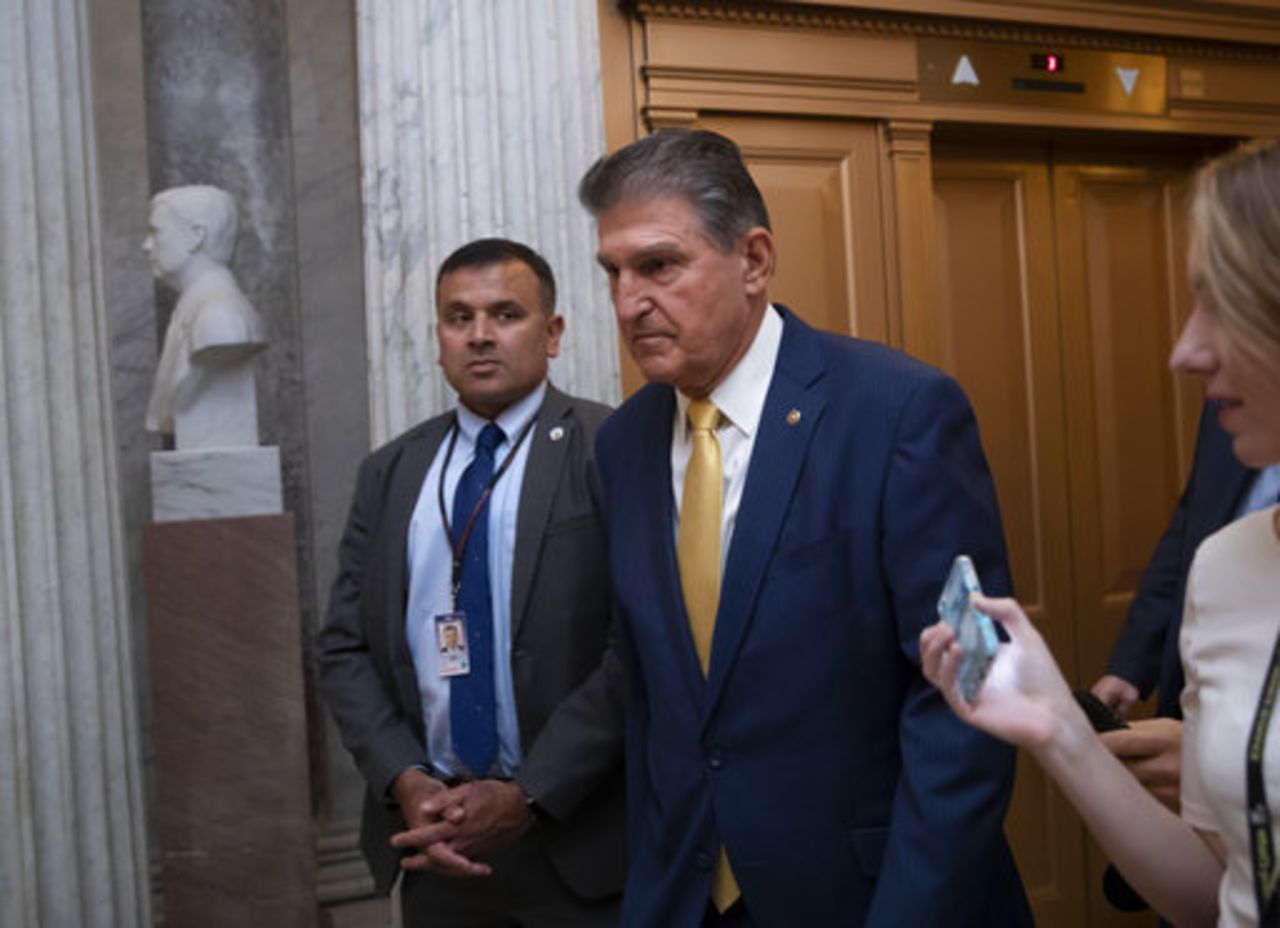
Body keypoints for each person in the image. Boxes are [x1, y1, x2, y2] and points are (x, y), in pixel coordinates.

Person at [579, 129, 1032, 927]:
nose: (627, 302)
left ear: (753, 260)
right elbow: (656, 697)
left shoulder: (898, 413)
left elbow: (968, 700)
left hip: (872, 897)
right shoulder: (622, 446)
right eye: (612, 273)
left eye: (658, 265)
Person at [922, 138, 1280, 928]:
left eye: (1222, 302)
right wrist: (1056, 730)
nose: (1183, 351)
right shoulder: (1223, 571)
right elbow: (1210, 897)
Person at [316, 238, 625, 927]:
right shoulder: (391, 472)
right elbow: (342, 648)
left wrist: (531, 795)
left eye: (505, 314)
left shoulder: (612, 449)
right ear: (438, 339)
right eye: (459, 318)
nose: (480, 335)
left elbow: (638, 647)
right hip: (438, 846)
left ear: (553, 334)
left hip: (582, 846)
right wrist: (405, 777)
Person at [143, 185, 266, 449]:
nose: (146, 245)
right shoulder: (195, 310)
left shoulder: (221, 318)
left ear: (196, 237)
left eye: (156, 232)